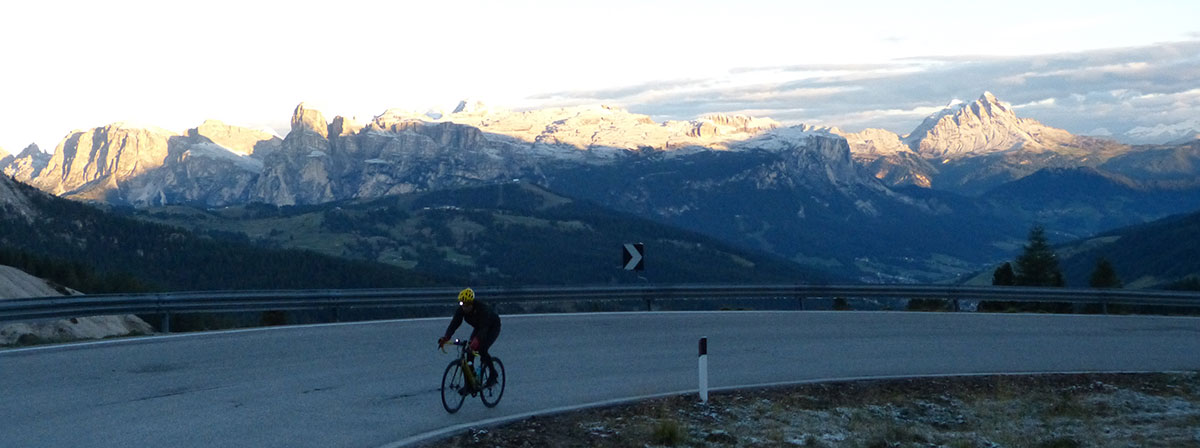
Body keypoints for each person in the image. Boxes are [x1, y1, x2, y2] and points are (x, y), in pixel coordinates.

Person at [438, 287, 501, 391]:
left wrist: (477, 341)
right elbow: (454, 324)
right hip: (479, 327)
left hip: (492, 326)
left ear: (472, 303)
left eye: (467, 305)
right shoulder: (461, 309)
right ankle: (470, 383)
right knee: (469, 352)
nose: (464, 307)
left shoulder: (482, 309)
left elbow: (484, 329)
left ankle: (493, 374)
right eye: (462, 304)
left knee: (482, 349)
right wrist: (446, 337)